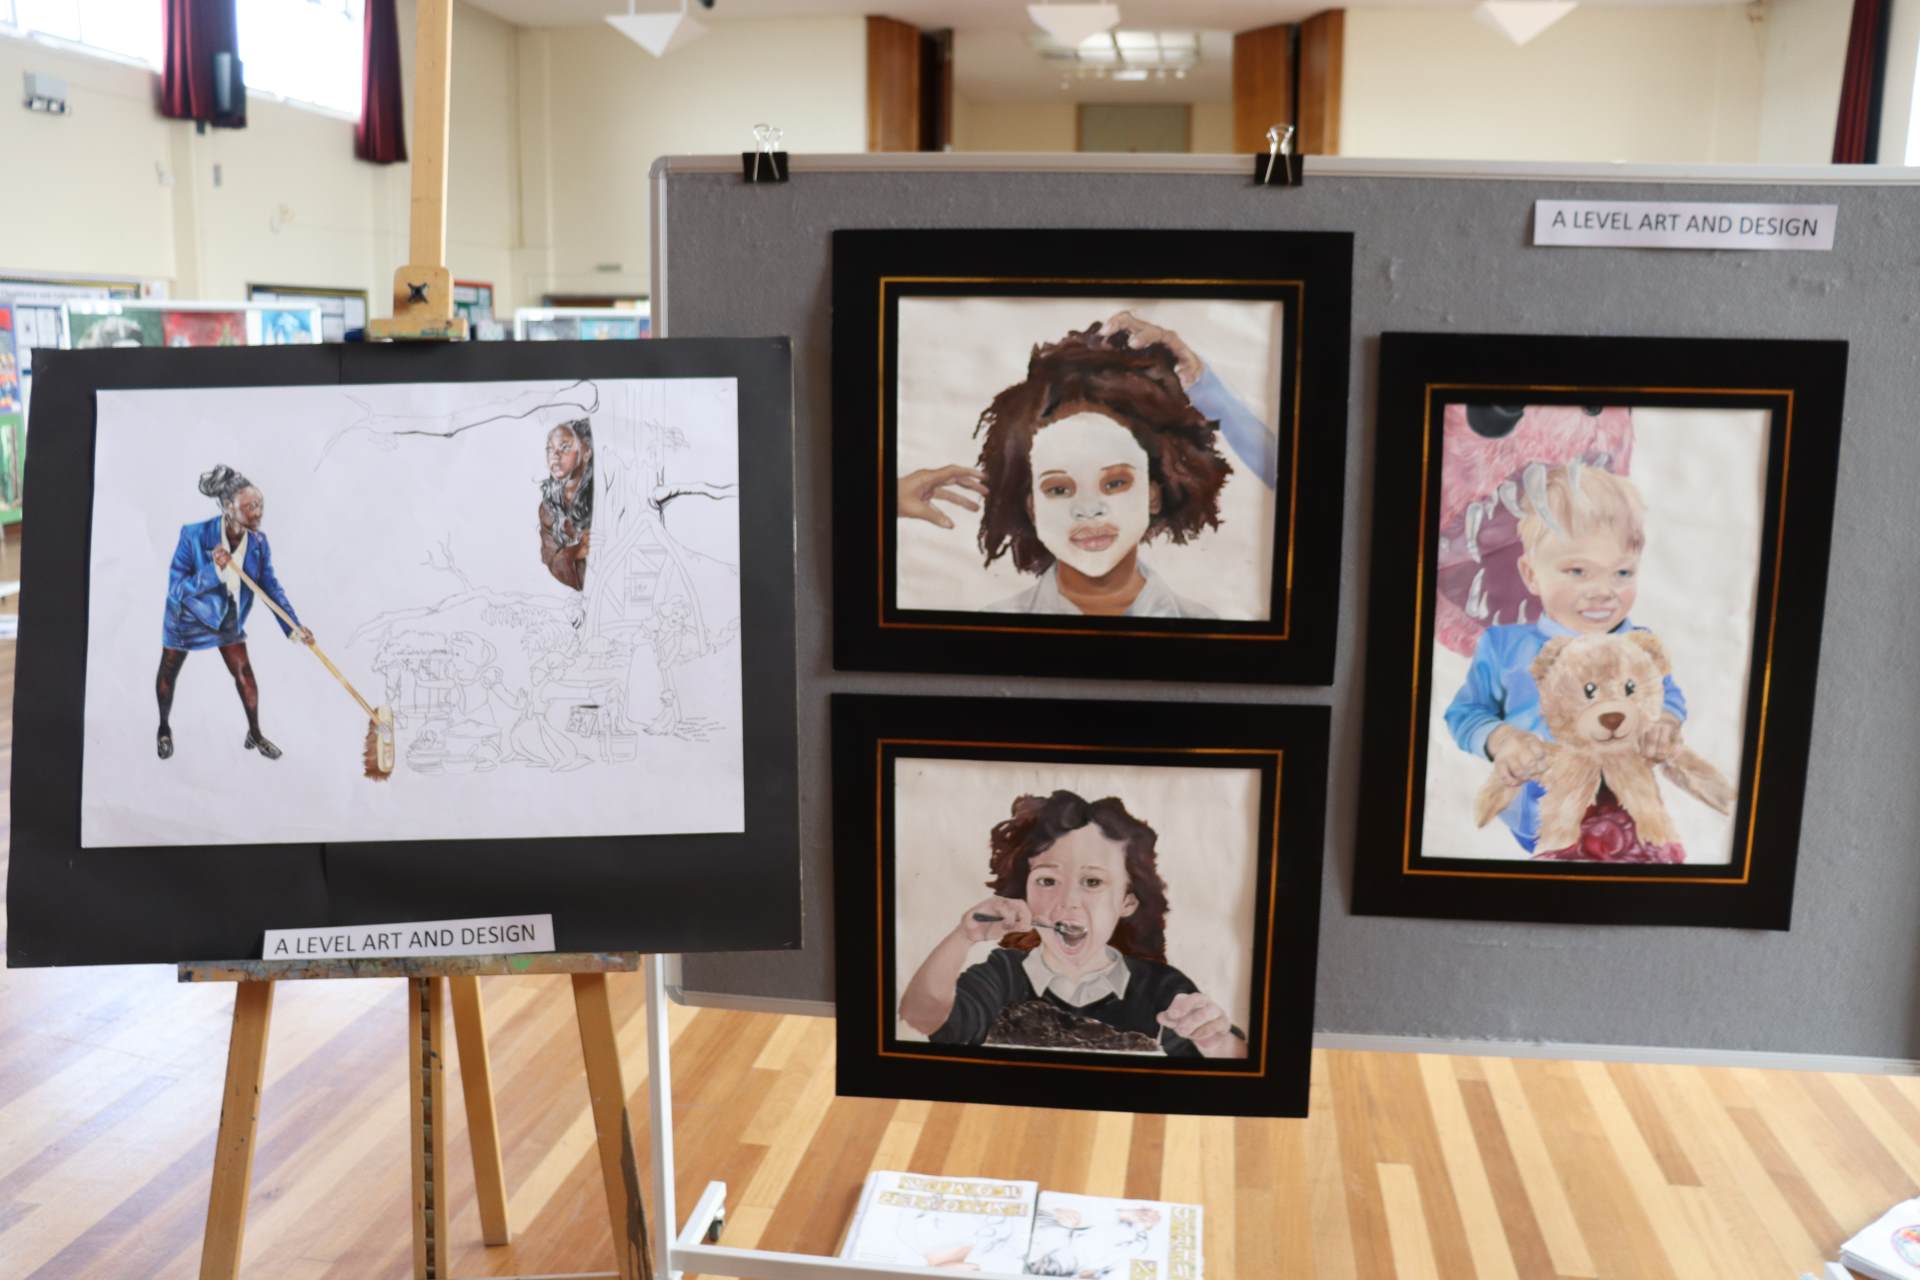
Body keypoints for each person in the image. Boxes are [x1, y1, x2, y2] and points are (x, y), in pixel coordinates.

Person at [1443, 461, 1690, 857]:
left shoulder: (1637, 645)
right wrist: (1502, 740)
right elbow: (1466, 712)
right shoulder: (1505, 646)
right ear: (1531, 574)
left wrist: (1665, 722)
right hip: (1536, 815)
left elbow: (1668, 695)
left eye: (1622, 573)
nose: (1603, 591)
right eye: (1577, 571)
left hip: (1624, 812)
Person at [897, 789, 1247, 1059]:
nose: (1067, 901)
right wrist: (964, 936)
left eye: (1092, 882)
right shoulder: (1001, 974)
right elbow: (918, 1018)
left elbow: (1235, 1066)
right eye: (1048, 881)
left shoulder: (1161, 988)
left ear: (1127, 901)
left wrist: (1214, 1041)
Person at [156, 465, 313, 761]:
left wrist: (294, 627)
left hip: (225, 615)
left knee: (244, 672)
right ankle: (164, 728)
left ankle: (255, 733)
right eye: (250, 507)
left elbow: (270, 588)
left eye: (260, 505)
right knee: (169, 669)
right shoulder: (193, 535)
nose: (258, 513)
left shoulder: (258, 543)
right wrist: (212, 570)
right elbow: (176, 589)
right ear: (228, 507)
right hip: (186, 616)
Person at [539, 419, 593, 589]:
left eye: (564, 447)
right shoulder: (548, 507)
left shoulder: (599, 496)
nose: (555, 455)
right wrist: (576, 551)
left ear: (586, 452)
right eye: (550, 449)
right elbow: (551, 560)